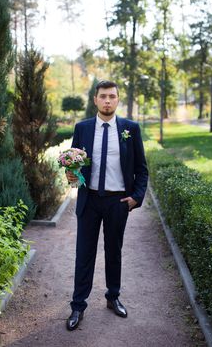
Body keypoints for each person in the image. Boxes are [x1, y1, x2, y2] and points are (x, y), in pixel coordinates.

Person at [66, 80, 148, 331]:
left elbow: (141, 169)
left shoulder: (130, 129)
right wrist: (71, 174)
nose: (108, 101)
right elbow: (73, 162)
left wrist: (136, 197)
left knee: (114, 251)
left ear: (118, 99)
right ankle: (78, 306)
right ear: (95, 99)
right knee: (84, 254)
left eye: (112, 96)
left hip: (117, 202)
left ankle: (113, 296)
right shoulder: (83, 128)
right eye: (103, 96)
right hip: (89, 200)